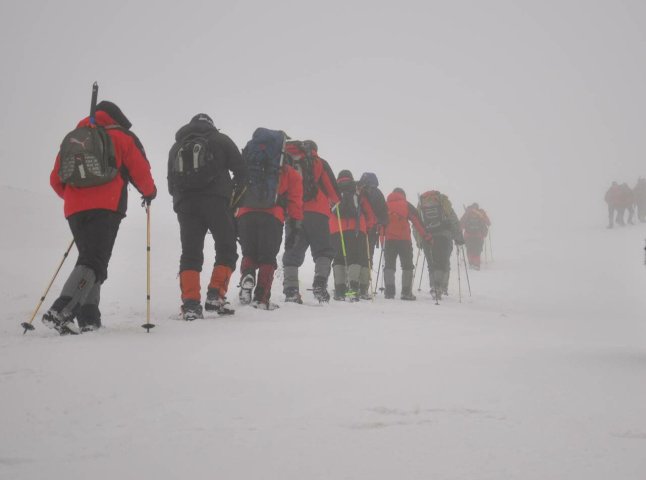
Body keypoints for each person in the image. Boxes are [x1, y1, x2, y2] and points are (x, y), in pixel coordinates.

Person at [44, 100, 157, 334]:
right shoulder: (122, 137)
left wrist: (75, 197)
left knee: (90, 259)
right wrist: (149, 193)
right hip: (106, 207)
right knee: (94, 261)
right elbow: (140, 169)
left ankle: (89, 319)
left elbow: (56, 179)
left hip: (74, 210)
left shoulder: (75, 137)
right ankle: (62, 309)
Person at [168, 113, 246, 320]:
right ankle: (215, 295)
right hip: (217, 202)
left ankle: (191, 304)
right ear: (211, 124)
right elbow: (242, 172)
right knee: (226, 248)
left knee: (190, 254)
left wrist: (182, 202)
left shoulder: (177, 147)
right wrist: (234, 198)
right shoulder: (220, 140)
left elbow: (171, 183)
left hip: (186, 205)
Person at [236, 129, 303, 310]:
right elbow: (295, 202)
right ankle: (261, 298)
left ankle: (248, 275)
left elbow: (237, 186)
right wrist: (295, 227)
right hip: (272, 216)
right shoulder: (289, 173)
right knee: (268, 258)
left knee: (248, 253)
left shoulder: (249, 164)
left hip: (245, 214)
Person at [281, 140, 339, 303]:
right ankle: (320, 285)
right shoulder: (319, 162)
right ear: (314, 150)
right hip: (318, 214)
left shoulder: (288, 161)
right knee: (323, 251)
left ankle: (291, 291)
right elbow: (335, 194)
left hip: (293, 212)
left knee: (292, 254)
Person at [330, 170, 376, 301]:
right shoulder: (357, 189)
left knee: (338, 259)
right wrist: (369, 227)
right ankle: (353, 290)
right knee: (354, 258)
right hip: (355, 229)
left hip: (335, 229)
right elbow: (368, 212)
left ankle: (339, 291)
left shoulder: (333, 188)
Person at [415, 190, 464, 301]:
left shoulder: (421, 203)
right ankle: (441, 287)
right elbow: (453, 219)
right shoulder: (443, 201)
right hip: (444, 236)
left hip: (426, 236)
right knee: (443, 262)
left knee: (431, 263)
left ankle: (434, 287)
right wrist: (458, 237)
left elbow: (416, 223)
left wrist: (419, 240)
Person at [383, 188, 431, 300]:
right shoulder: (406, 205)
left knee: (389, 265)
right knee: (407, 265)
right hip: (404, 240)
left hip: (389, 240)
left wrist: (381, 238)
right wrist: (426, 236)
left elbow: (380, 222)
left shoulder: (386, 205)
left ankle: (389, 292)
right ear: (403, 195)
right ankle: (406, 292)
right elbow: (416, 221)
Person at [357, 172, 389, 299]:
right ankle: (363, 289)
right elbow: (384, 215)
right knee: (367, 258)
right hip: (371, 231)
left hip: (356, 229)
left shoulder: (357, 190)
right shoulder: (377, 193)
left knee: (355, 256)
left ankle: (351, 286)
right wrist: (383, 224)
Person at [460, 203, 491, 270]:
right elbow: (488, 223)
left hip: (468, 236)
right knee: (477, 250)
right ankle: (476, 264)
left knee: (469, 250)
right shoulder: (480, 213)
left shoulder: (468, 212)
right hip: (479, 236)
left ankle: (471, 264)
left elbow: (461, 224)